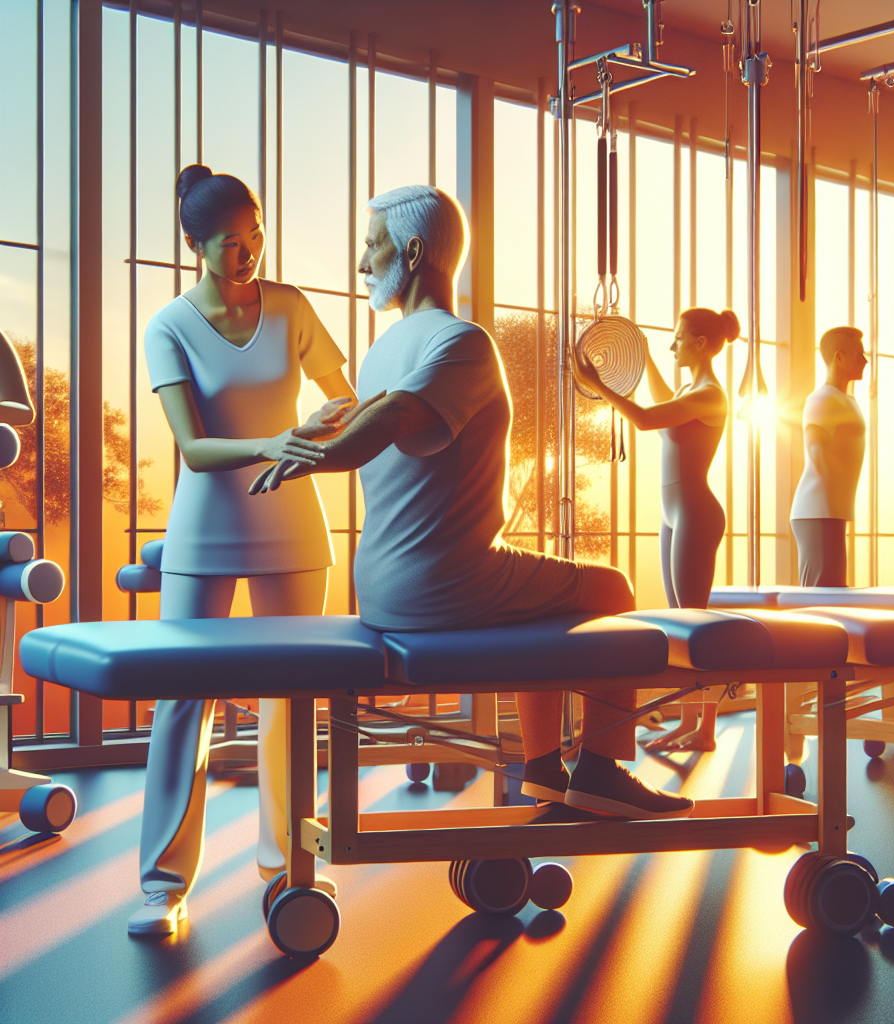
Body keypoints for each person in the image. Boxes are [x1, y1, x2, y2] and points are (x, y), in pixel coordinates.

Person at [251, 184, 694, 821]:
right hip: (440, 585)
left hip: (379, 585)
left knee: (540, 593)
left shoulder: (383, 352)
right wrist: (320, 454)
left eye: (370, 246)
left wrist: (320, 444)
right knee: (615, 589)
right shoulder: (462, 342)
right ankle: (601, 769)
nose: (361, 264)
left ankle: (543, 768)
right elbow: (395, 417)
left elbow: (378, 414)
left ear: (412, 251)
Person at [131, 164, 356, 936]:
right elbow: (193, 448)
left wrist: (328, 420)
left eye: (257, 235)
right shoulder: (169, 325)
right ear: (195, 243)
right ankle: (164, 888)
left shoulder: (290, 306)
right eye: (234, 241)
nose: (250, 251)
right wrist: (275, 441)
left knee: (289, 700)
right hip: (204, 530)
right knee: (180, 703)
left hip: (295, 526)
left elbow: (343, 394)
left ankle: (290, 866)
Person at [574, 307, 736, 754]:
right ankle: (689, 723)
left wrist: (599, 386)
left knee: (696, 625)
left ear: (701, 344)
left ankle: (705, 731)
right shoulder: (689, 388)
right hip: (673, 513)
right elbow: (660, 400)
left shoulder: (710, 395)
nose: (673, 346)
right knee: (681, 626)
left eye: (678, 339)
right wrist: (641, 351)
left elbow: (646, 419)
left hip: (696, 513)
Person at [789, 326, 868, 587]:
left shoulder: (846, 400)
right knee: (818, 600)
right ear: (839, 357)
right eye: (859, 353)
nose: (865, 360)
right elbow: (816, 449)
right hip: (818, 510)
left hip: (830, 511)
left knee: (832, 594)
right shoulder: (822, 399)